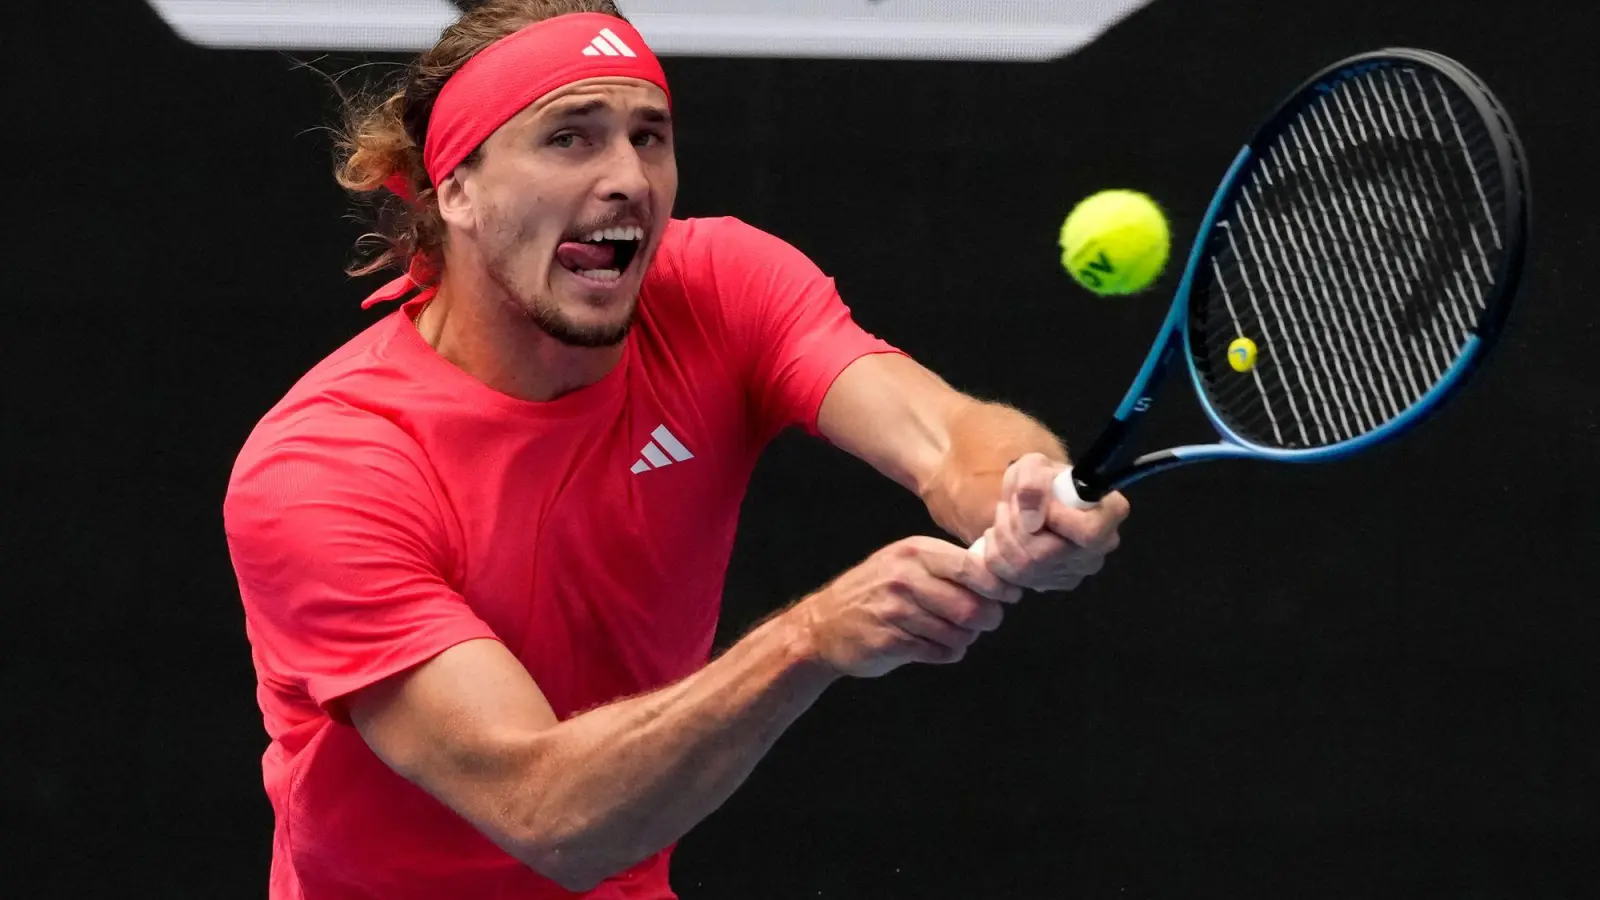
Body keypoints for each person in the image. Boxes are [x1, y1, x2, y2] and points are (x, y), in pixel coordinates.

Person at [222, 2, 1130, 897]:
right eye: (570, 138)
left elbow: (946, 436)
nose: (629, 178)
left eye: (648, 137)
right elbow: (546, 814)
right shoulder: (326, 469)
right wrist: (807, 640)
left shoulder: (719, 286)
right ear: (455, 189)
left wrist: (1023, 489)